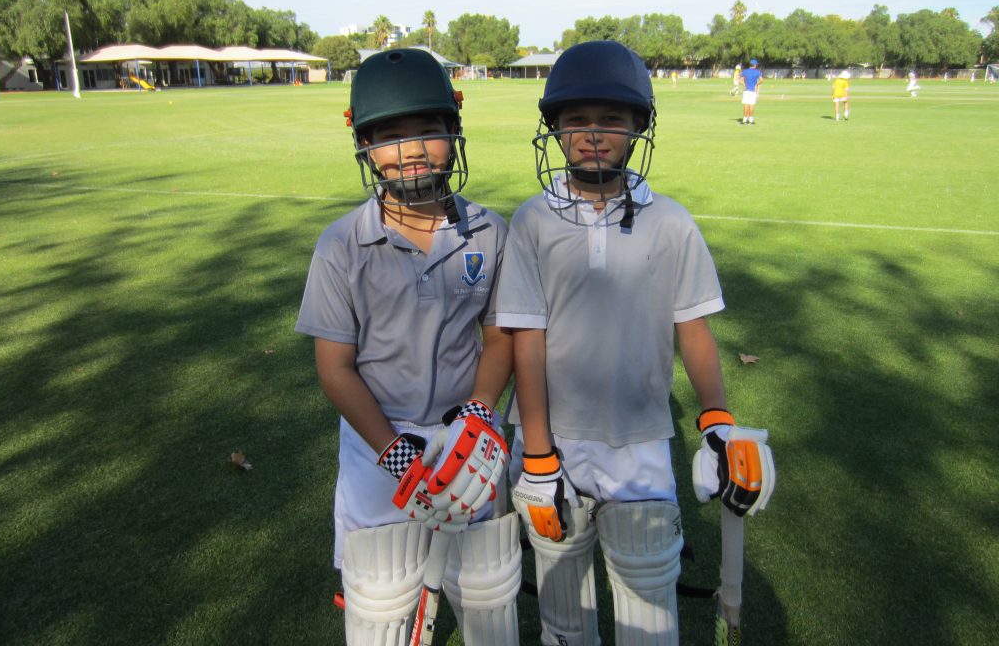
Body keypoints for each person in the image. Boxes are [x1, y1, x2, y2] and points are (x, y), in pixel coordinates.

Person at [496, 40, 775, 645]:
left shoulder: (670, 220)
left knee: (649, 612)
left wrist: (717, 420)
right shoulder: (532, 221)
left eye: (611, 121)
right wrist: (538, 452)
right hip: (556, 443)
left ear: (637, 127)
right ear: (555, 128)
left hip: (642, 441)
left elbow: (693, 328)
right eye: (576, 121)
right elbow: (526, 339)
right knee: (564, 613)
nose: (592, 134)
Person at [295, 48, 521, 645]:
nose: (413, 147)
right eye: (391, 135)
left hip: (468, 441)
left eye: (428, 129)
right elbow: (336, 369)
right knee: (382, 604)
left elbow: (498, 337)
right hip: (380, 446)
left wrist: (479, 411)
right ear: (364, 146)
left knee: (488, 595)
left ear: (455, 130)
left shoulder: (489, 231)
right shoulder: (341, 244)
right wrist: (396, 452)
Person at [740, 58, 763, 124]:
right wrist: (757, 85)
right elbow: (762, 80)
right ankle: (751, 120)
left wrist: (743, 84)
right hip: (753, 90)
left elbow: (738, 78)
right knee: (751, 105)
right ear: (755, 65)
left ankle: (744, 120)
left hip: (746, 90)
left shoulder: (745, 71)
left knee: (746, 105)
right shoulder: (757, 72)